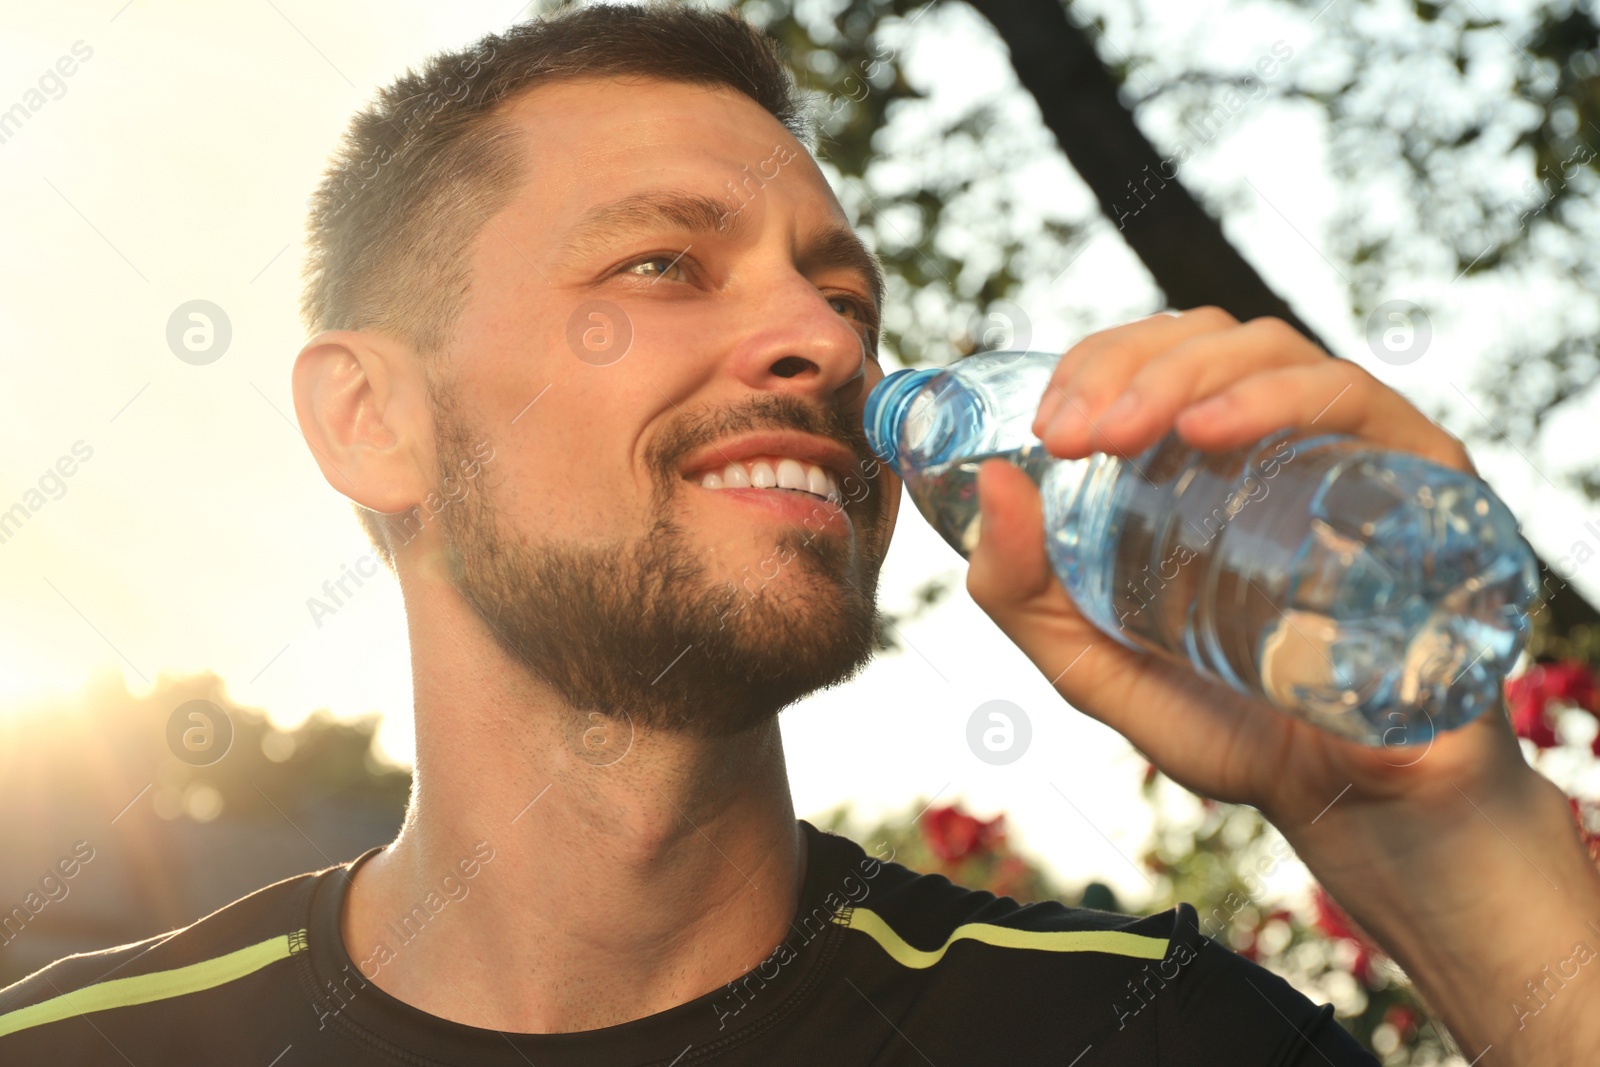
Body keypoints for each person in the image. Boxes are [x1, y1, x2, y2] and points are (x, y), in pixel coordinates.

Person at [0, 4, 1594, 1064]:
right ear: (372, 419)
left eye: (844, 296)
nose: (828, 346)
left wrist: (1452, 855)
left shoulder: (1145, 1042)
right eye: (661, 268)